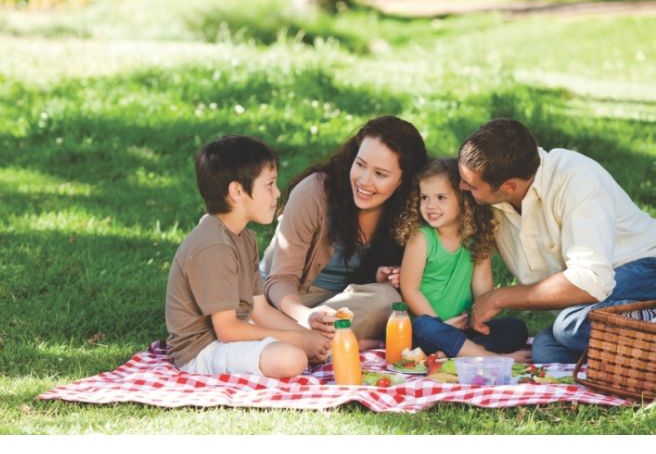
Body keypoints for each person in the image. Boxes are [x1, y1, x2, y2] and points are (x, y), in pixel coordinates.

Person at [458, 119, 656, 363]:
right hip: (592, 300)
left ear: (509, 186)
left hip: (645, 268)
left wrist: (501, 296)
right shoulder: (493, 197)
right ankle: (639, 346)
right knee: (547, 350)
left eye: (471, 185)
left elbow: (590, 280)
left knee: (570, 325)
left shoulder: (578, 178)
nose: (461, 187)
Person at [165, 135, 330, 377]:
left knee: (319, 344)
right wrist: (297, 340)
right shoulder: (213, 246)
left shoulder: (245, 238)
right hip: (202, 349)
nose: (277, 193)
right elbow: (227, 330)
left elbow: (260, 310)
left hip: (236, 332)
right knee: (291, 358)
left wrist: (307, 336)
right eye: (269, 184)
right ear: (237, 191)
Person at [261, 115, 429, 348]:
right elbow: (279, 279)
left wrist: (387, 276)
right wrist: (305, 316)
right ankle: (330, 342)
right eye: (360, 165)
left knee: (388, 300)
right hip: (289, 300)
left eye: (380, 174)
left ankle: (301, 342)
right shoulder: (314, 193)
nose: (364, 181)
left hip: (345, 307)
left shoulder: (411, 212)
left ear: (403, 181)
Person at [395, 158, 529, 360]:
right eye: (424, 197)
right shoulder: (421, 238)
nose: (430, 205)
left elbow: (482, 286)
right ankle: (489, 357)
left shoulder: (476, 237)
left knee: (515, 329)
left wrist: (479, 319)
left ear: (463, 200)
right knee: (424, 328)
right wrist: (439, 323)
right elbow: (410, 289)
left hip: (464, 329)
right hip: (429, 328)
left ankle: (457, 352)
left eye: (441, 197)